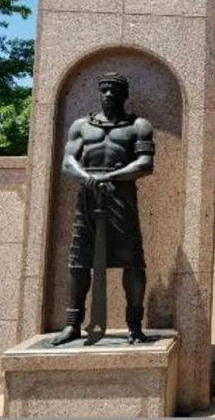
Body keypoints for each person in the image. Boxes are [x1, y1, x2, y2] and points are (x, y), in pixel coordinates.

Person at [51, 72, 155, 345]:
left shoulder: (138, 125)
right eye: (105, 89)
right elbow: (67, 162)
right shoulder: (81, 126)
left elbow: (145, 163)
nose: (109, 94)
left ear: (125, 94)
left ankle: (135, 326)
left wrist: (109, 177)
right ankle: (73, 324)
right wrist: (88, 178)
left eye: (115, 90)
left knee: (133, 263)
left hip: (121, 198)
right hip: (88, 197)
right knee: (79, 262)